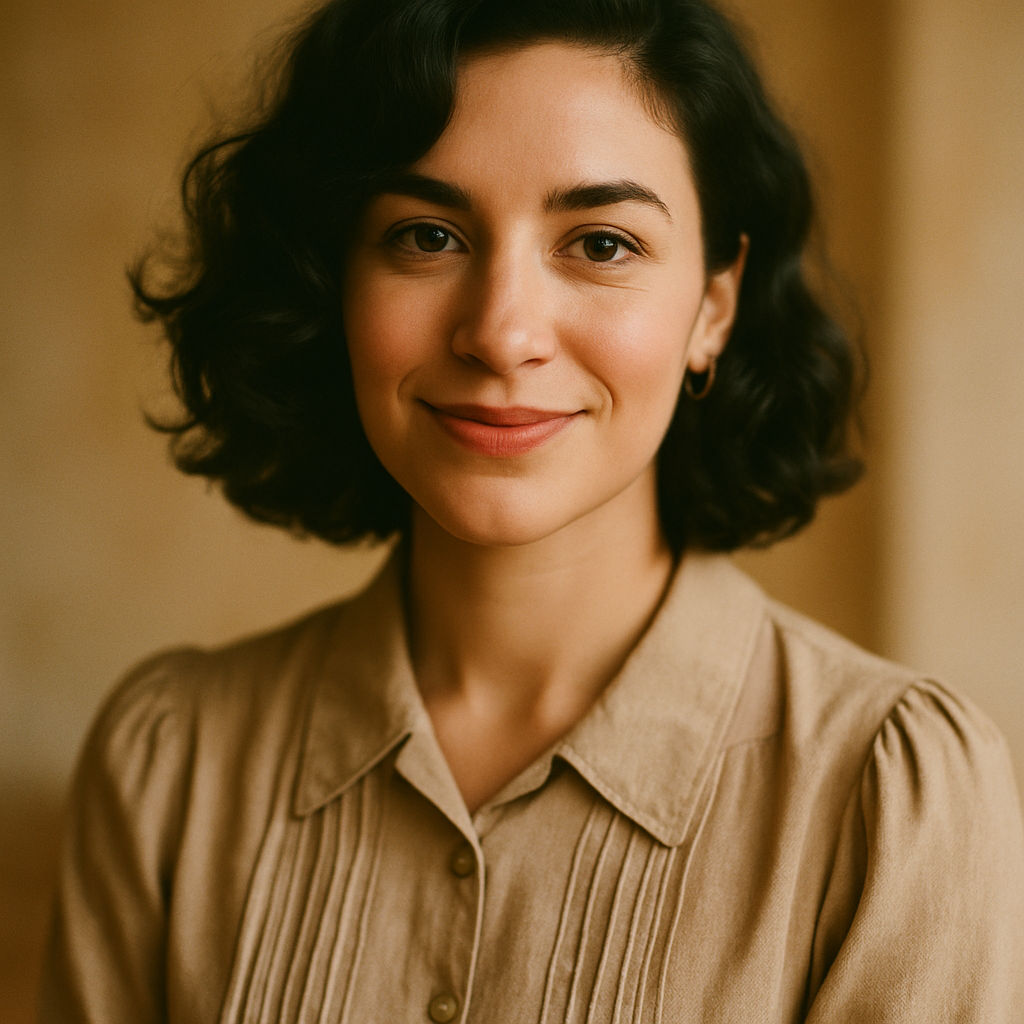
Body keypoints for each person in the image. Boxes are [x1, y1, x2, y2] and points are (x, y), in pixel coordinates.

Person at [41, 0, 1024, 1020]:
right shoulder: (170, 768)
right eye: (427, 235)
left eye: (600, 243)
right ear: (333, 281)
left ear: (713, 306)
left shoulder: (888, 800)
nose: (502, 332)